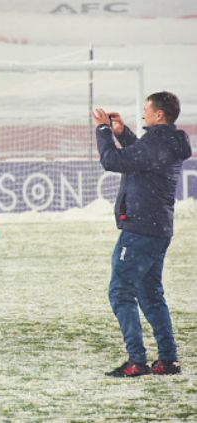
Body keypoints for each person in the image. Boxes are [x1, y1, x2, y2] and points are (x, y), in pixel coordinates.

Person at [92, 92, 191, 377]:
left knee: (121, 291)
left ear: (159, 114)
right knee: (150, 293)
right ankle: (168, 359)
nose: (144, 114)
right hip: (158, 229)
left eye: (147, 110)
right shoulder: (170, 141)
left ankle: (136, 360)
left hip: (140, 229)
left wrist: (103, 130)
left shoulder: (156, 142)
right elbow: (142, 159)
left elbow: (112, 161)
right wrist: (123, 134)